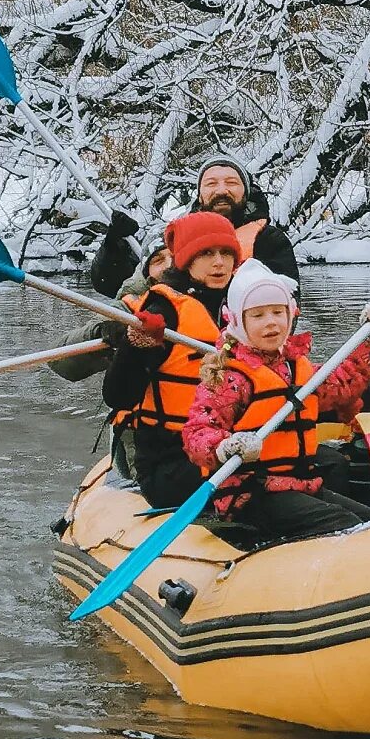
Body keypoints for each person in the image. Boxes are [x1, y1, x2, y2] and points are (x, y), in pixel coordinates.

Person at [182, 261, 370, 543]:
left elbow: (342, 386)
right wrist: (226, 446)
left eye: (278, 312)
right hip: (251, 493)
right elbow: (197, 433)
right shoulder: (229, 376)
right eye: (258, 315)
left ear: (291, 314)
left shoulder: (294, 367)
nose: (271, 322)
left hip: (298, 484)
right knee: (347, 525)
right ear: (239, 322)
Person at [100, 212, 241, 507]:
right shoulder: (164, 310)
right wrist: (135, 344)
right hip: (172, 461)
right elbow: (118, 395)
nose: (219, 262)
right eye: (207, 253)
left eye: (226, 252)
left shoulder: (244, 303)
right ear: (186, 258)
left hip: (231, 446)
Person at [89, 155, 298, 299]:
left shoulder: (270, 240)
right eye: (211, 184)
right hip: (177, 338)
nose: (222, 190)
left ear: (245, 192)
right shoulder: (175, 235)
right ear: (200, 194)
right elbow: (110, 285)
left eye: (232, 183)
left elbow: (285, 305)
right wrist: (114, 245)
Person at [48, 238, 173, 385]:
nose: (169, 266)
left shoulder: (204, 295)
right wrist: (99, 333)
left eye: (176, 258)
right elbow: (59, 362)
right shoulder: (128, 308)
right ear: (146, 271)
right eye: (158, 261)